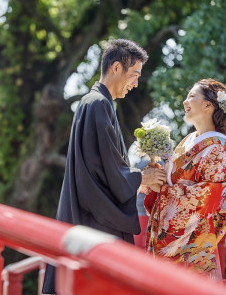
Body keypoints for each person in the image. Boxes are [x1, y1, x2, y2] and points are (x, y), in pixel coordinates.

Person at [42, 39, 166, 294]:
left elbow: (105, 167)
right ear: (116, 68)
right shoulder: (98, 104)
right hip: (94, 222)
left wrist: (135, 180)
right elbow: (107, 169)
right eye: (134, 75)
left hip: (89, 213)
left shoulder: (96, 102)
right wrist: (141, 178)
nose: (136, 83)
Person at [143, 78, 226, 280]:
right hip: (170, 240)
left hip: (192, 246)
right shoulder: (188, 142)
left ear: (208, 105)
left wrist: (165, 190)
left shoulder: (215, 150)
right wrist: (157, 177)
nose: (184, 101)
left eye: (191, 96)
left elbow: (208, 197)